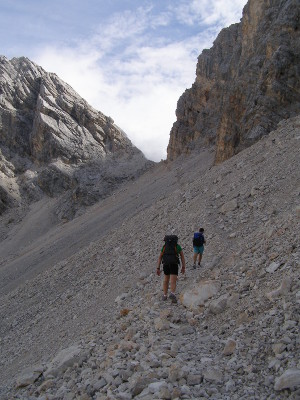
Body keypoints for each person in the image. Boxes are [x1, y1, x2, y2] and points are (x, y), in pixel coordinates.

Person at [156, 235, 186, 303]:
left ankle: (164, 295)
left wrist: (158, 268)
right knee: (173, 280)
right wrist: (183, 267)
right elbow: (182, 257)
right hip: (174, 264)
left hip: (166, 264)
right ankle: (172, 293)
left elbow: (160, 257)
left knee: (166, 280)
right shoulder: (177, 246)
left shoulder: (164, 247)